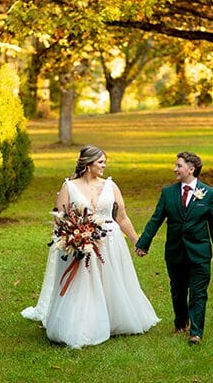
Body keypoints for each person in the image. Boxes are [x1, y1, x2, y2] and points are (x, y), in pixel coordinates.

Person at [21, 145, 159, 349]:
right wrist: (72, 236)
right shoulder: (69, 186)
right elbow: (60, 218)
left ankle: (114, 318)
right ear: (88, 164)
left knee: (111, 281)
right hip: (79, 244)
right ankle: (83, 323)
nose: (104, 166)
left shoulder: (111, 186)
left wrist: (136, 241)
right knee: (84, 284)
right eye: (101, 162)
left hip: (110, 242)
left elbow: (121, 217)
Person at [135, 151, 213, 345]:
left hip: (199, 252)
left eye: (179, 165)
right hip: (175, 252)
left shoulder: (208, 193)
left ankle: (196, 332)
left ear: (191, 169)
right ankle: (180, 322)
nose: (175, 169)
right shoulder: (168, 193)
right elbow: (156, 219)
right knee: (178, 289)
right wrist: (143, 243)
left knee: (198, 291)